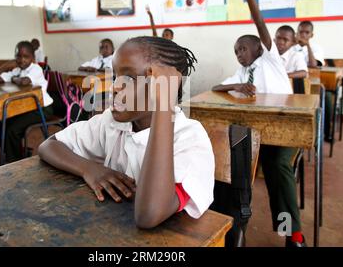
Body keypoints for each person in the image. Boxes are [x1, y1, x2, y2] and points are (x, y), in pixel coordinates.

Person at [39, 36, 215, 228]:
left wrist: (164, 103)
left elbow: (149, 215)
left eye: (129, 78)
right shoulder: (112, 122)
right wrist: (89, 169)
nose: (114, 87)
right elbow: (49, 145)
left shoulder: (189, 139)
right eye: (115, 77)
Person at [213, 0, 306, 247]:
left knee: (277, 165)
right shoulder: (242, 74)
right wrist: (236, 86)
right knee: (234, 162)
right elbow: (218, 87)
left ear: (259, 48)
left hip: (286, 127)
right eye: (236, 51)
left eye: (243, 49)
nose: (239, 54)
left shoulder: (270, 60)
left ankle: (291, 232)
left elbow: (260, 24)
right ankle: (237, 227)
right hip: (258, 131)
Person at [0, 41, 53, 163]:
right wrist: (5, 66)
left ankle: (15, 161)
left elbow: (24, 82)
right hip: (25, 108)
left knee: (12, 130)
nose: (22, 60)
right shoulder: (16, 70)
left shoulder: (36, 68)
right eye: (18, 56)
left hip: (42, 108)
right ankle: (15, 152)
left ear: (32, 58)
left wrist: (13, 78)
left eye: (26, 57)